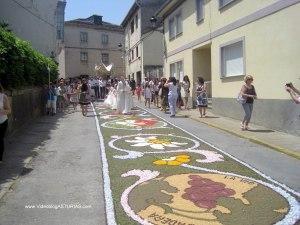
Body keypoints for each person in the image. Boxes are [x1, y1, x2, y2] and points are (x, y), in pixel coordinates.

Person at [0, 83, 11, 162]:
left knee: (0, 139)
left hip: (2, 122)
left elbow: (9, 110)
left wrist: (1, 111)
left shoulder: (3, 96)